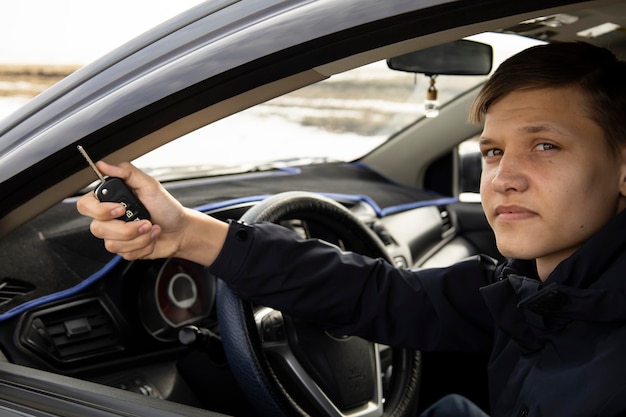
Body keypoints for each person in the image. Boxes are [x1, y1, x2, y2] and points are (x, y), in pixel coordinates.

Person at [77, 41, 626, 417]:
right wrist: (185, 235)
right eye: (491, 152)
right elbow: (379, 293)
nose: (504, 179)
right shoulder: (530, 290)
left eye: (545, 146)